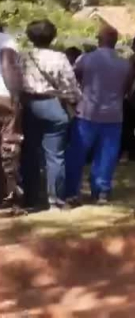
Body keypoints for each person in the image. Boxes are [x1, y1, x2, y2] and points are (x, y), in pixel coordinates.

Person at [64, 25, 131, 205]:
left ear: (98, 40)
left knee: (77, 154)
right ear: (116, 42)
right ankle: (101, 191)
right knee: (107, 155)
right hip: (114, 115)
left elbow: (73, 79)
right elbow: (126, 88)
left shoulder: (85, 59)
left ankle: (71, 191)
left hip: (87, 113)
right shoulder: (125, 64)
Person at [19, 20, 80, 210]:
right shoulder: (60, 58)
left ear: (30, 36)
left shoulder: (23, 56)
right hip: (53, 105)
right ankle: (55, 200)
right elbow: (70, 86)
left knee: (29, 153)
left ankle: (30, 198)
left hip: (28, 105)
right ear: (53, 37)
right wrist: (73, 100)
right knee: (55, 156)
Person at [0, 25, 22, 210]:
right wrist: (16, 97)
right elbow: (7, 63)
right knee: (9, 146)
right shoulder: (6, 41)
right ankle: (9, 194)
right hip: (4, 98)